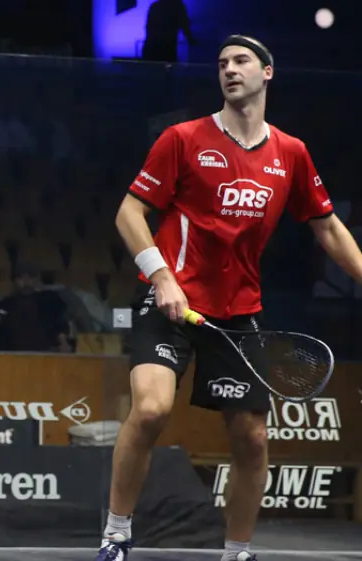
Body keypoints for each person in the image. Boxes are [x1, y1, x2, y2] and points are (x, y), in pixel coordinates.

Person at [99, 35, 362, 561]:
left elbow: (328, 228)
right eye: (222, 63)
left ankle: (237, 551)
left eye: (241, 61)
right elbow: (129, 214)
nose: (229, 70)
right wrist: (162, 277)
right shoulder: (183, 138)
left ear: (268, 73)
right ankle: (115, 534)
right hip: (170, 301)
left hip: (238, 314)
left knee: (252, 438)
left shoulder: (290, 154)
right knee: (151, 409)